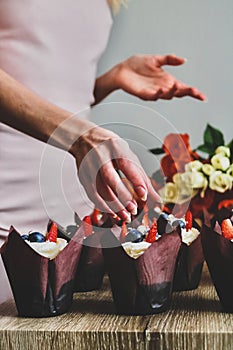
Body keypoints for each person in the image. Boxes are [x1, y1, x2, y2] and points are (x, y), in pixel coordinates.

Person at [0, 0, 206, 303]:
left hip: (72, 217)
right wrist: (80, 137)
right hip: (7, 204)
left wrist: (111, 79)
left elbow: (50, 91)